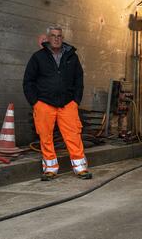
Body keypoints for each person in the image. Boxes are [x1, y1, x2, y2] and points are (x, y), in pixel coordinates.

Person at [23, 26, 92, 180]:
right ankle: (50, 169)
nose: (56, 38)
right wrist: (35, 102)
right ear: (48, 38)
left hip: (67, 104)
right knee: (45, 136)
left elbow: (79, 80)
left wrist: (76, 101)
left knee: (73, 135)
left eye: (59, 36)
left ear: (62, 38)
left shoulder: (71, 57)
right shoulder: (38, 57)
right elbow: (28, 81)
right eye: (53, 36)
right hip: (44, 104)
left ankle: (80, 168)